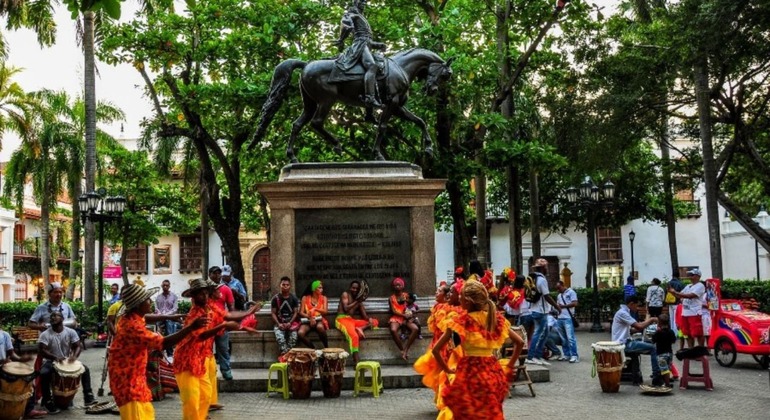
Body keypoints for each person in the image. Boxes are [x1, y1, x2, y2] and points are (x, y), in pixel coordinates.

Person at [109, 283, 207, 419]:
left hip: (134, 379)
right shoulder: (133, 326)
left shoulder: (132, 316)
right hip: (128, 382)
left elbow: (147, 317)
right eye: (147, 300)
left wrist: (169, 317)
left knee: (147, 413)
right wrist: (190, 327)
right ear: (138, 305)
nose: (150, 302)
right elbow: (164, 342)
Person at [432, 280, 524, 419]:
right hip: (492, 372)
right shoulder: (495, 319)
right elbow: (520, 342)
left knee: (467, 413)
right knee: (490, 412)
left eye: (461, 296)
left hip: (469, 372)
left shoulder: (460, 321)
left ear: (467, 301)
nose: (459, 299)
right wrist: (510, 365)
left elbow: (436, 350)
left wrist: (447, 370)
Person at [174, 278, 259, 419]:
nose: (205, 296)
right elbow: (201, 336)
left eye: (206, 293)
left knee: (206, 395)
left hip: (199, 359)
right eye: (201, 294)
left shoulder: (209, 308)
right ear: (194, 296)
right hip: (186, 361)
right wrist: (224, 326)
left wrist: (246, 318)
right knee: (192, 400)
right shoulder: (194, 315)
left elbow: (227, 316)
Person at [38, 311, 97, 412]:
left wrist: (74, 356)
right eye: (51, 317)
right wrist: (55, 357)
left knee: (85, 369)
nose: (52, 318)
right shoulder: (45, 334)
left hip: (66, 359)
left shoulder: (70, 332)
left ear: (62, 318)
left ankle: (88, 396)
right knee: (44, 373)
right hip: (50, 360)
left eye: (55, 316)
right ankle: (47, 400)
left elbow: (77, 346)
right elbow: (42, 350)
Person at [333, 0, 387, 108]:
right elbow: (346, 25)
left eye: (365, 2)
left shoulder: (362, 17)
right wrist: (341, 39)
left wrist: (378, 45)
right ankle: (370, 98)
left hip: (365, 45)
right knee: (372, 66)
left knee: (381, 67)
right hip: (360, 46)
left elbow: (367, 40)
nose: (364, 4)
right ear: (356, 3)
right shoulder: (353, 14)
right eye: (362, 2)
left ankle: (369, 112)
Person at [0, 314, 47, 419]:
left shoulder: (5, 335)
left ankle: (28, 410)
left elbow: (11, 353)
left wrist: (21, 359)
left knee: (28, 381)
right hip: (2, 364)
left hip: (3, 367)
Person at [611, 295, 662, 386]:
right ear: (631, 304)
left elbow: (633, 329)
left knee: (644, 342)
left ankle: (637, 377)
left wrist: (643, 326)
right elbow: (639, 326)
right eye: (636, 305)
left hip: (624, 341)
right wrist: (651, 320)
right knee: (653, 348)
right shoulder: (623, 313)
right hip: (623, 344)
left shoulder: (623, 312)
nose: (637, 308)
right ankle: (656, 377)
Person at [413, 283, 450, 402]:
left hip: (444, 344)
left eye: (439, 291)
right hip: (436, 342)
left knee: (443, 372)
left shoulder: (447, 308)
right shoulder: (437, 307)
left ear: (445, 295)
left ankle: (444, 399)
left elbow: (445, 329)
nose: (436, 293)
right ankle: (441, 398)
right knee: (438, 371)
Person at [526, 258, 560, 366]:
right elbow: (547, 296)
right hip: (541, 310)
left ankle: (537, 355)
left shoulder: (533, 278)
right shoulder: (542, 280)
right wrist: (557, 307)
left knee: (544, 334)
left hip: (534, 309)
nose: (547, 269)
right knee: (538, 333)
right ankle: (531, 356)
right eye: (546, 267)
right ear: (542, 268)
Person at [335, 280, 378, 365]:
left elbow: (365, 317)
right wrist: (357, 301)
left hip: (352, 321)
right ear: (350, 288)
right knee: (354, 336)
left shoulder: (359, 302)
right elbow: (346, 308)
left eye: (357, 289)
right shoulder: (345, 294)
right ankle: (356, 362)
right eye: (353, 288)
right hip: (342, 319)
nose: (354, 290)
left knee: (375, 321)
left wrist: (369, 320)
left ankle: (361, 328)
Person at [208, 266, 235, 382]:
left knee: (223, 348)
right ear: (210, 275)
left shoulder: (225, 289)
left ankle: (226, 370)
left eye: (219, 274)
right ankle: (209, 370)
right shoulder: (205, 289)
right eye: (214, 274)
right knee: (207, 349)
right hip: (208, 324)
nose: (217, 276)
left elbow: (231, 306)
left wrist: (230, 319)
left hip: (221, 324)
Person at [668, 268, 705, 348]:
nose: (690, 277)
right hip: (685, 313)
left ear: (698, 276)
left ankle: (701, 351)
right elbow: (680, 295)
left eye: (692, 275)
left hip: (695, 313)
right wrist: (672, 292)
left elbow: (690, 296)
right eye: (689, 275)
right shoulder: (688, 286)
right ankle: (691, 350)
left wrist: (675, 292)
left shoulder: (700, 286)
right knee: (687, 333)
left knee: (698, 333)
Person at [388, 277, 419, 361]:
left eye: (399, 285)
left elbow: (413, 306)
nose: (397, 286)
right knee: (393, 330)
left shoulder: (406, 296)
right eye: (395, 285)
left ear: (403, 286)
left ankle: (406, 350)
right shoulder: (391, 298)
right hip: (397, 317)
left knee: (415, 329)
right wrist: (403, 315)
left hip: (407, 317)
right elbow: (393, 310)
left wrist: (409, 315)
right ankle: (402, 350)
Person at [271, 277, 300, 360]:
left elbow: (295, 312)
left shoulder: (294, 298)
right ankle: (286, 357)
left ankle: (287, 356)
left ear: (290, 286)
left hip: (291, 323)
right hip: (279, 323)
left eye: (287, 285)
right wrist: (278, 323)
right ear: (280, 285)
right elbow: (273, 313)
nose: (285, 287)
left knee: (294, 337)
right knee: (280, 338)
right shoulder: (275, 298)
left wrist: (290, 322)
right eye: (283, 285)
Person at [297, 280, 329, 349]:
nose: (321, 290)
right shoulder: (305, 298)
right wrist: (310, 318)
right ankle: (313, 349)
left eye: (322, 288)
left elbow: (325, 311)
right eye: (319, 288)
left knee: (320, 327)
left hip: (319, 319)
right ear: (314, 289)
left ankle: (326, 347)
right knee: (300, 333)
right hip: (308, 320)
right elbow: (301, 312)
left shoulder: (324, 298)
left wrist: (315, 309)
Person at [555, 280, 579, 363]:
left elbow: (575, 303)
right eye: (557, 289)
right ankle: (566, 354)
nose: (558, 290)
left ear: (563, 285)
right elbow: (558, 305)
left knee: (570, 338)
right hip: (560, 317)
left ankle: (574, 355)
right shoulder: (559, 295)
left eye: (559, 288)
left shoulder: (571, 292)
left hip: (568, 317)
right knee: (563, 338)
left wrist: (563, 306)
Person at [155, 279, 180, 357]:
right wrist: (161, 315)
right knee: (155, 329)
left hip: (170, 318)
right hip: (160, 318)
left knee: (168, 323)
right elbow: (156, 308)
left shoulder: (174, 296)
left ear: (169, 286)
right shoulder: (158, 297)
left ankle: (170, 353)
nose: (165, 287)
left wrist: (166, 315)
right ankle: (159, 351)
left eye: (167, 285)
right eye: (164, 285)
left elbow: (175, 308)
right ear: (162, 286)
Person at [651, 313, 677, 388]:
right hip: (669, 353)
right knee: (668, 368)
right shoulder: (671, 331)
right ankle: (666, 381)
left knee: (664, 369)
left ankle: (667, 384)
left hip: (661, 354)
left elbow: (653, 341)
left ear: (659, 323)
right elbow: (673, 341)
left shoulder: (658, 333)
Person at [667, 272, 685, 342]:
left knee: (671, 318)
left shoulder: (669, 283)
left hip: (669, 302)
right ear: (679, 276)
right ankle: (675, 333)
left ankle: (671, 332)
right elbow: (683, 293)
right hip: (677, 302)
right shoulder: (680, 283)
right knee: (675, 318)